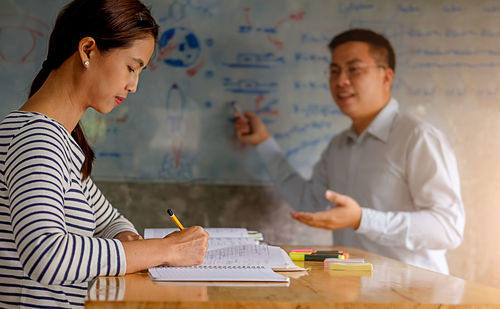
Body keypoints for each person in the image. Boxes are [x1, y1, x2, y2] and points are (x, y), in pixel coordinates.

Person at [0, 0, 209, 308]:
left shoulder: (61, 140)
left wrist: (126, 237)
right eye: (131, 67)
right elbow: (46, 256)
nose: (134, 85)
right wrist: (166, 251)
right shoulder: (36, 140)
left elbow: (109, 220)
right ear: (88, 50)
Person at [234, 29, 465, 274]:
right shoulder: (339, 146)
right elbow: (309, 202)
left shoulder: (418, 138)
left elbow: (447, 228)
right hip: (355, 292)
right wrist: (264, 143)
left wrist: (362, 219)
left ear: (386, 77)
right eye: (334, 71)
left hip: (415, 293)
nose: (341, 80)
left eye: (354, 69)